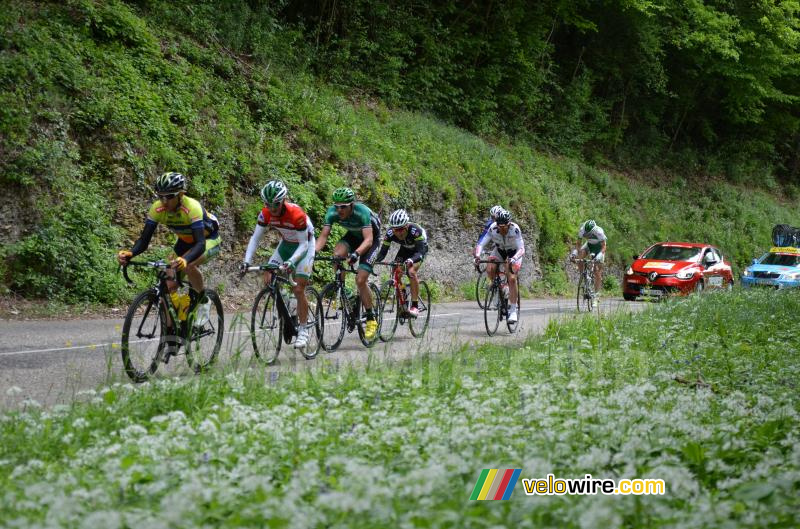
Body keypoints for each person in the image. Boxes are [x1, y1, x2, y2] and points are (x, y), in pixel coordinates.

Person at [117, 172, 220, 326]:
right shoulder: (157, 209)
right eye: (160, 196)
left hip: (208, 240)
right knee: (167, 287)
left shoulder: (192, 207)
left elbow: (199, 245)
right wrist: (131, 253)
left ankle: (202, 300)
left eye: (169, 196)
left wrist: (185, 259)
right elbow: (144, 241)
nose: (164, 201)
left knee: (189, 265)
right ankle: (171, 335)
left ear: (181, 195)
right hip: (184, 242)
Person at [240, 180, 316, 348]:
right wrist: (246, 261)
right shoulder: (265, 214)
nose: (272, 208)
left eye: (275, 204)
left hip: (305, 246)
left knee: (298, 288)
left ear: (283, 200)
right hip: (287, 244)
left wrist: (291, 261)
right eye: (268, 204)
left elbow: (303, 244)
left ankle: (303, 330)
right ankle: (288, 304)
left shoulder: (297, 215)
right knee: (268, 275)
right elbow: (255, 238)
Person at [314, 187, 382, 340]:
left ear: (352, 204)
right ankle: (344, 292)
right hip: (353, 236)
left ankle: (371, 317)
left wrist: (356, 254)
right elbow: (323, 236)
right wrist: (313, 253)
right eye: (337, 206)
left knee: (360, 279)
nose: (339, 210)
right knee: (337, 255)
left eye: (343, 206)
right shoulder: (332, 213)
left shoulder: (362, 212)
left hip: (371, 240)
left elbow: (369, 240)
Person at [473, 209, 524, 324]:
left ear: (509, 224)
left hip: (513, 252)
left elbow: (521, 248)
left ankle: (513, 310)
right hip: (500, 250)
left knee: (511, 278)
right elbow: (481, 243)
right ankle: (497, 290)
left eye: (504, 227)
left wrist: (514, 259)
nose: (501, 229)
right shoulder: (493, 228)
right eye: (499, 227)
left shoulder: (515, 229)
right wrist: (477, 255)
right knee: (490, 268)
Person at [375, 209, 429, 317]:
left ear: (407, 226)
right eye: (396, 230)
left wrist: (411, 260)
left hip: (418, 251)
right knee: (396, 270)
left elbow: (420, 252)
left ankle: (414, 305)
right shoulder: (390, 233)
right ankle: (402, 292)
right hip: (404, 250)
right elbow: (382, 252)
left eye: (401, 229)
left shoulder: (415, 231)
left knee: (411, 272)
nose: (398, 233)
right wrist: (374, 261)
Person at [570, 219, 607, 305]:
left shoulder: (599, 232)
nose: (587, 235)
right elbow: (578, 244)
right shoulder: (582, 229)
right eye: (586, 234)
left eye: (589, 234)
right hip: (589, 245)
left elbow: (604, 247)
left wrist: (599, 255)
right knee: (580, 258)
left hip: (599, 248)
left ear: (594, 230)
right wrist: (575, 253)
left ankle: (596, 295)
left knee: (597, 271)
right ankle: (583, 275)